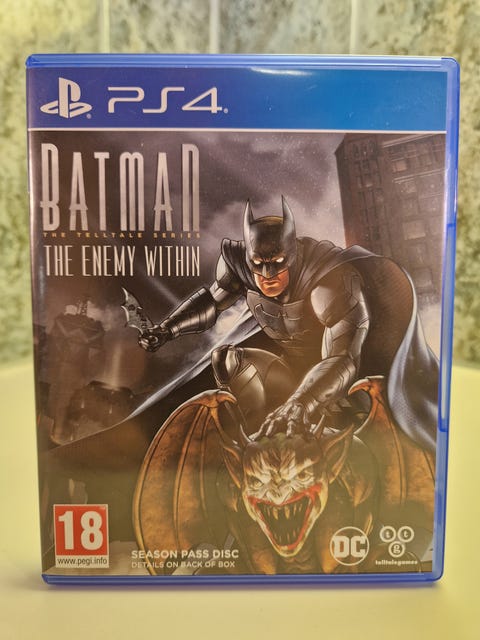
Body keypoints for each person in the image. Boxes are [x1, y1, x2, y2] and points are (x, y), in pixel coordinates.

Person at [139, 197, 438, 450]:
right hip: (288, 378)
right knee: (226, 359)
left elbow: (343, 358)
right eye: (259, 265)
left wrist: (301, 403)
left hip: (342, 389)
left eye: (277, 264)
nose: (267, 275)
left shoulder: (329, 281)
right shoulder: (240, 267)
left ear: (293, 256)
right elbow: (211, 303)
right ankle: (256, 444)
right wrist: (168, 329)